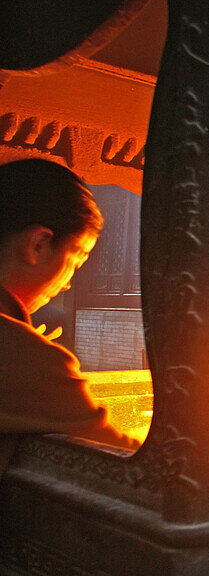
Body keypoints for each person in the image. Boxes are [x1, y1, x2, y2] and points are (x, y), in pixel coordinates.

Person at [0, 158, 140, 460]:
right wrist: (29, 351)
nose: (67, 284)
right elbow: (128, 462)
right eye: (75, 262)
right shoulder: (28, 358)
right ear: (38, 244)